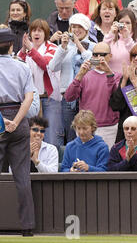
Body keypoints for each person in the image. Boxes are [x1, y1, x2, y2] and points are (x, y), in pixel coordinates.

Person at [0, 27, 35, 236]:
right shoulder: (22, 67)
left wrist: (1, 120)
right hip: (18, 119)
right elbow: (29, 98)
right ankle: (27, 227)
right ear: (12, 45)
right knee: (22, 176)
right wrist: (15, 121)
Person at [64, 42, 121, 150]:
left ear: (110, 56)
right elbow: (69, 97)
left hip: (109, 127)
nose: (99, 58)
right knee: (85, 162)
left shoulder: (117, 76)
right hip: (86, 127)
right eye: (95, 54)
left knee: (106, 163)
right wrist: (80, 75)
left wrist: (108, 72)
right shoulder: (85, 75)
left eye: (103, 54)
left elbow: (116, 98)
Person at [48, 13, 95, 143]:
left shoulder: (93, 46)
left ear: (86, 29)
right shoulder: (65, 47)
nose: (76, 30)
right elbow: (52, 67)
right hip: (68, 97)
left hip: (87, 96)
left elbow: (92, 64)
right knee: (70, 135)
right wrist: (63, 47)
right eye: (73, 27)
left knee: (87, 133)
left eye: (79, 27)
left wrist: (78, 44)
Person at [18, 19, 63, 148]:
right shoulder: (26, 50)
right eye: (34, 30)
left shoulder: (52, 48)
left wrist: (31, 50)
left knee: (52, 138)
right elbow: (17, 67)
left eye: (40, 30)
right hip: (30, 100)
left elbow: (45, 64)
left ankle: (53, 167)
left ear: (46, 33)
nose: (36, 33)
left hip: (49, 99)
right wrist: (23, 50)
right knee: (29, 137)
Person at [109, 44, 137, 142]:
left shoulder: (132, 78)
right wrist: (125, 80)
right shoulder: (127, 75)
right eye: (134, 55)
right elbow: (115, 105)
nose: (136, 58)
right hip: (125, 131)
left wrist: (135, 83)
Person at [103, 8, 137, 75]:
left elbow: (134, 54)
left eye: (127, 23)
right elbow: (101, 51)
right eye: (121, 23)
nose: (124, 26)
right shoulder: (111, 39)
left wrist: (127, 38)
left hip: (129, 81)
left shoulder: (134, 41)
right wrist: (111, 33)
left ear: (133, 24)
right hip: (111, 80)